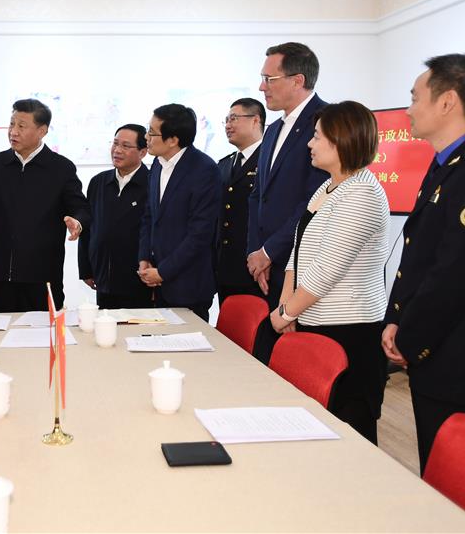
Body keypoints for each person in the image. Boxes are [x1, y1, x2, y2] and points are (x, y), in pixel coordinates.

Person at [381, 53, 465, 473]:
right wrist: (397, 319)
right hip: (438, 348)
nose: (410, 108)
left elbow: (456, 274)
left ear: (447, 101)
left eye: (415, 97)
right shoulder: (447, 164)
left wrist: (412, 339)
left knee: (462, 480)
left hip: (461, 358)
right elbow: (420, 256)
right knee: (438, 469)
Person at [269, 101, 390, 444]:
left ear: (341, 141)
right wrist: (284, 308)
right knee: (316, 427)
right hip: (314, 323)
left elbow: (327, 269)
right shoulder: (327, 187)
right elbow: (299, 252)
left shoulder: (363, 192)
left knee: (351, 432)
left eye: (317, 136)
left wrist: (285, 313)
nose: (310, 143)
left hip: (351, 331)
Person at [0, 99, 90, 312]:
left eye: (21, 126)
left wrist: (77, 222)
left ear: (42, 131)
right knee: (1, 336)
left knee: (43, 337)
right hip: (1, 274)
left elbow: (80, 207)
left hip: (43, 276)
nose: (13, 131)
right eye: (11, 124)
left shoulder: (60, 168)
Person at [248, 42, 329, 362]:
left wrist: (270, 251)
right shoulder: (272, 130)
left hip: (301, 265)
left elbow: (314, 201)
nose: (261, 87)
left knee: (299, 364)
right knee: (266, 359)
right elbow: (257, 196)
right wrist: (256, 252)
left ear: (297, 80)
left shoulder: (325, 122)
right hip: (264, 266)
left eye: (269, 79)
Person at [138, 103, 221, 321]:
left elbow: (200, 234)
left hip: (189, 284)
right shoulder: (157, 165)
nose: (146, 137)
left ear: (173, 139)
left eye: (152, 132)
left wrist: (163, 272)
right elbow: (149, 216)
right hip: (159, 281)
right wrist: (144, 257)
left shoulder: (204, 170)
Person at [78, 124, 153, 309]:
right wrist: (86, 269)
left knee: (136, 334)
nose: (117, 150)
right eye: (115, 143)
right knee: (106, 332)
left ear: (143, 152)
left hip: (138, 281)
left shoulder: (152, 184)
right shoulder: (99, 182)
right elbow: (88, 228)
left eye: (126, 146)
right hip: (103, 278)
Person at [216, 98, 265, 304]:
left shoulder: (267, 161)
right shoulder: (224, 164)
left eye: (234, 118)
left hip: (256, 268)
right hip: (225, 268)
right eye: (226, 120)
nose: (228, 125)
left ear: (255, 120)